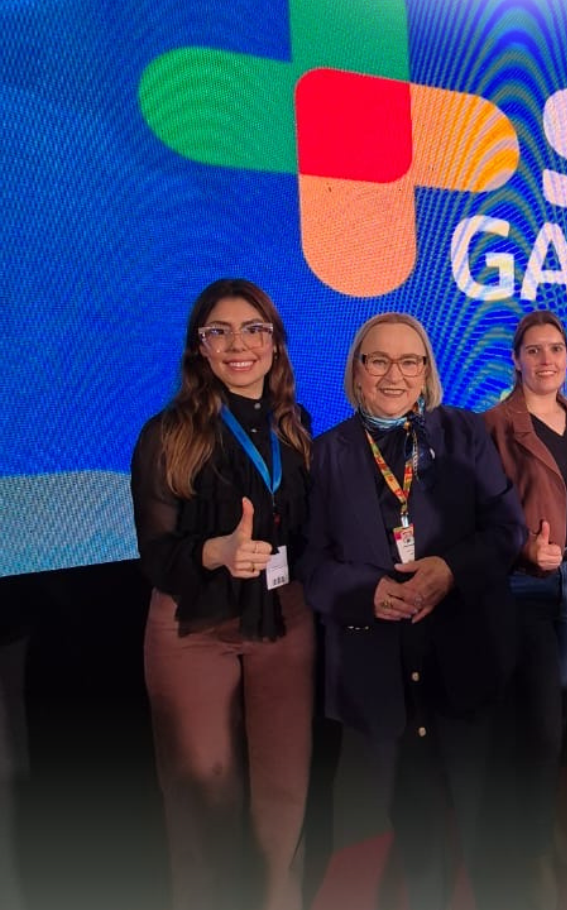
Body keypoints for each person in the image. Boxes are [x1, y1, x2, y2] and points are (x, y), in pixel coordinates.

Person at [301, 313, 526, 910]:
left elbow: (507, 529)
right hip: (382, 675)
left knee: (489, 832)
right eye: (378, 360)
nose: (393, 375)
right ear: (356, 371)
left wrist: (450, 570)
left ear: (427, 372)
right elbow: (312, 565)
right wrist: (365, 591)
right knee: (417, 834)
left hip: (465, 660)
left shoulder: (463, 432)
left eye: (409, 361)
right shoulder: (326, 455)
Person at [130, 278, 314, 910]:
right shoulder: (167, 434)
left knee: (285, 795)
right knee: (202, 800)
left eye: (253, 330)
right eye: (220, 332)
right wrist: (216, 551)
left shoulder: (295, 426)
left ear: (274, 342)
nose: (239, 345)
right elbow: (156, 554)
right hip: (193, 624)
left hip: (284, 617)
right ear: (200, 347)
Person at [483, 311, 567, 909]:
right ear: (516, 360)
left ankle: (540, 820)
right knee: (537, 719)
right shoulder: (494, 426)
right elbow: (477, 512)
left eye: (555, 348)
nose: (546, 360)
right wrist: (521, 549)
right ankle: (532, 851)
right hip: (527, 586)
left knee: (557, 710)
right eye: (533, 350)